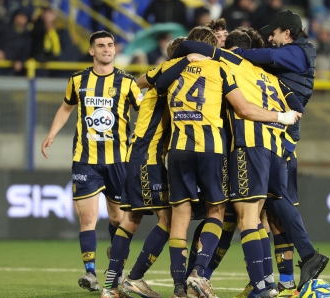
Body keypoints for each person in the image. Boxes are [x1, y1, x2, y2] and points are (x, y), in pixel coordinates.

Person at [155, 26, 301, 298]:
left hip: (241, 146)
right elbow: (297, 108)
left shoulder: (227, 64)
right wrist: (285, 120)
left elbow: (241, 108)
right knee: (258, 218)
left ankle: (235, 283)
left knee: (233, 217)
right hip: (275, 149)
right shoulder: (269, 76)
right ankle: (270, 283)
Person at [230, 10, 329, 292]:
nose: (270, 39)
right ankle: (286, 275)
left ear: (287, 33)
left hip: (282, 132)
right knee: (274, 204)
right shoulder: (296, 54)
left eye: (273, 33)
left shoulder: (299, 51)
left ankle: (308, 255)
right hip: (279, 129)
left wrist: (238, 52)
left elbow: (271, 58)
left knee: (277, 196)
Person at [41, 31, 141, 292]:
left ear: (114, 50)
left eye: (110, 45)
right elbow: (66, 107)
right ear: (91, 51)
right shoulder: (77, 80)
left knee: (118, 220)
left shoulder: (128, 83)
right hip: (85, 160)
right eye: (101, 45)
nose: (107, 49)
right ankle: (90, 274)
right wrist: (51, 133)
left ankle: (115, 267)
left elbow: (145, 114)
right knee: (87, 219)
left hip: (119, 160)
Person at [100, 37, 191, 298]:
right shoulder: (169, 73)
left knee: (131, 220)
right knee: (168, 219)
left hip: (138, 155)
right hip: (147, 158)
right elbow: (146, 81)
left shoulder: (165, 75)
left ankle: (110, 287)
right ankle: (135, 277)